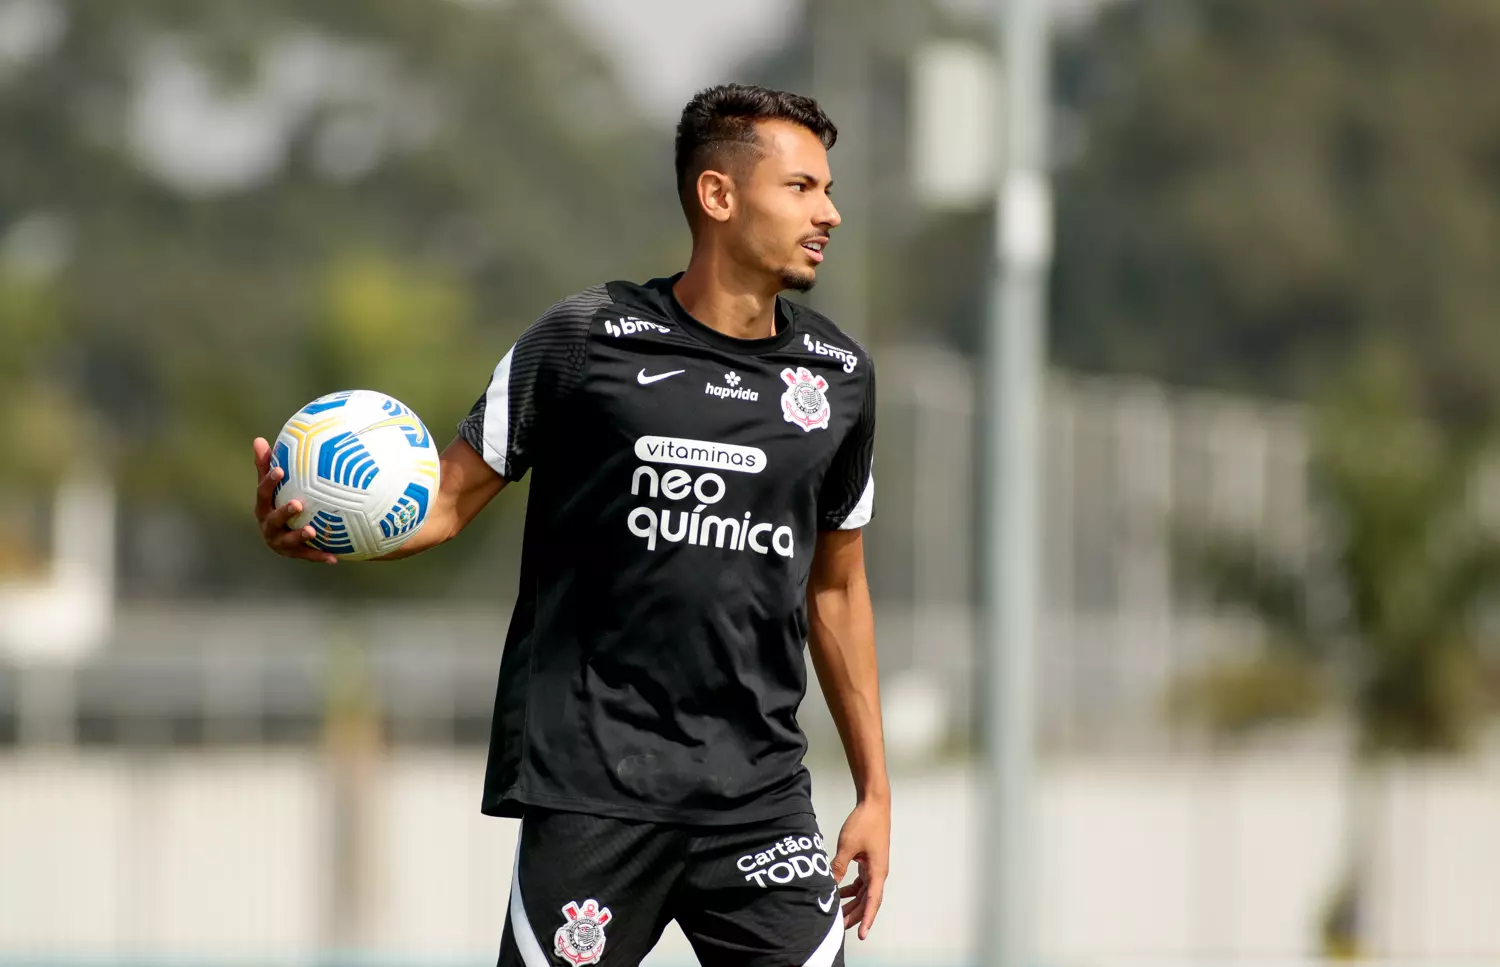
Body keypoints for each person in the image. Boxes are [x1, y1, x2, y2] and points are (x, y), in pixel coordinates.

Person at [253, 83, 887, 967]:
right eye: (803, 188)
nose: (831, 211)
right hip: (594, 794)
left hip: (759, 800)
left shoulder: (839, 379)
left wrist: (874, 791)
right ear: (719, 195)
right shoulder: (584, 339)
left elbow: (838, 584)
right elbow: (443, 500)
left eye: (826, 188)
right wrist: (320, 529)